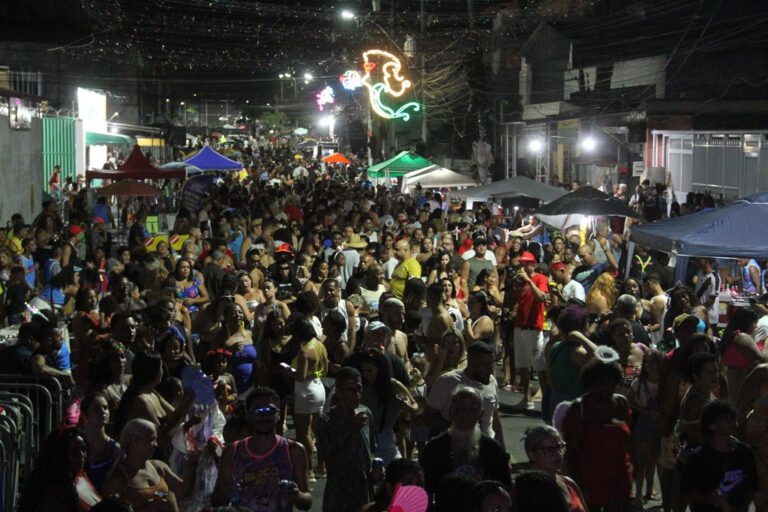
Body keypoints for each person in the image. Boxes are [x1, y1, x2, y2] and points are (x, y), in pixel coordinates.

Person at [211, 387, 312, 510]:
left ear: (279, 415)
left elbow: (307, 502)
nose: (265, 416)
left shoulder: (294, 450)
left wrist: (297, 495)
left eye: (270, 411)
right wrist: (225, 493)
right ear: (248, 415)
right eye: (258, 411)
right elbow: (215, 501)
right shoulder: (233, 451)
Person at [562, 348, 633, 511]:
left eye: (611, 382)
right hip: (590, 481)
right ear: (591, 383)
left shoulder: (621, 404)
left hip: (620, 480)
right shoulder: (578, 409)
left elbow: (630, 442)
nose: (607, 387)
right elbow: (571, 452)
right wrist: (576, 485)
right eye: (602, 382)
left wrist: (633, 472)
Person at [421, 387, 511, 498]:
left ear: (481, 413)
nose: (465, 414)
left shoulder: (493, 449)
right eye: (459, 409)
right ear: (450, 411)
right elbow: (425, 491)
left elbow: (505, 490)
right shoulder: (434, 449)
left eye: (472, 410)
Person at [102, 418, 199, 512]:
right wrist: (148, 509)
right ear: (135, 441)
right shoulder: (119, 478)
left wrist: (191, 467)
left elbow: (183, 491)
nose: (156, 445)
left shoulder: (158, 466)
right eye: (151, 440)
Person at [316, 367, 376, 512]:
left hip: (364, 492)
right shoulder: (327, 421)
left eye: (359, 389)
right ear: (339, 392)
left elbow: (372, 450)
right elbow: (332, 466)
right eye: (350, 390)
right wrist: (352, 432)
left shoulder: (366, 413)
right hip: (339, 497)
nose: (356, 394)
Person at [681, 400, 758, 512]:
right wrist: (709, 499)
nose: (732, 423)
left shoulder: (744, 454)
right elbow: (688, 492)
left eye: (733, 419)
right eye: (726, 420)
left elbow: (752, 487)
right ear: (712, 425)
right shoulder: (698, 458)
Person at [426, 342, 504, 446]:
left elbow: (494, 418)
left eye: (491, 364)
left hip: (485, 450)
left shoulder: (492, 381)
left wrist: (503, 452)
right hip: (455, 448)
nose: (490, 369)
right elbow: (429, 416)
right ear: (471, 363)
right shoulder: (446, 382)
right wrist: (461, 429)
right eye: (485, 365)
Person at [355, 347, 418, 464]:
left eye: (370, 370)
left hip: (385, 437)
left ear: (380, 369)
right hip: (362, 435)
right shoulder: (360, 385)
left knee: (394, 474)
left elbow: (414, 406)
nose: (366, 374)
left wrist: (407, 407)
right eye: (363, 370)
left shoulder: (392, 385)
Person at [19, 426, 101, 512]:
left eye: (83, 449)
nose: (81, 455)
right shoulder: (54, 489)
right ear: (60, 453)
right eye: (74, 450)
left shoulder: (80, 476)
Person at [289, 315, 328, 482]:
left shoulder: (305, 351)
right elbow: (326, 369)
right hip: (319, 387)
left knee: (303, 432)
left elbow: (300, 376)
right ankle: (322, 466)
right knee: (319, 430)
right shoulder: (320, 344)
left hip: (305, 390)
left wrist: (287, 371)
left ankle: (309, 470)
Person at [509, 251, 548, 410]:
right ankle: (527, 398)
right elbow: (515, 299)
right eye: (522, 264)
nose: (523, 267)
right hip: (520, 325)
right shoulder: (520, 281)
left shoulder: (540, 278)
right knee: (522, 363)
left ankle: (546, 399)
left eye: (527, 264)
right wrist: (515, 284)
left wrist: (529, 281)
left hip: (534, 327)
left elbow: (541, 297)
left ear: (534, 265)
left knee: (539, 364)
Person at [628, 349, 664, 503]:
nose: (650, 365)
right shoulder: (639, 382)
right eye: (647, 362)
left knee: (653, 461)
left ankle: (650, 491)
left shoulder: (664, 382)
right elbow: (630, 400)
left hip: (659, 424)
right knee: (641, 461)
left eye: (653, 362)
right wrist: (646, 411)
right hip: (644, 422)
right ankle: (638, 495)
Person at [522, 425, 587, 512]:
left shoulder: (569, 484)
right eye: (549, 449)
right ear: (532, 455)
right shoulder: (526, 491)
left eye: (560, 447)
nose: (558, 454)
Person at [80, 393, 122, 495]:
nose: (103, 412)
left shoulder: (115, 449)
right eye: (96, 409)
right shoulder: (78, 443)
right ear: (85, 414)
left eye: (105, 408)